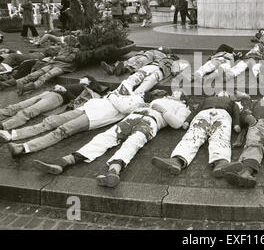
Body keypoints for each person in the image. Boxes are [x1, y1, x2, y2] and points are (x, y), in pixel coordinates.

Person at [32, 90, 192, 188]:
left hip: (151, 122)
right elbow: (126, 107)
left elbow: (177, 124)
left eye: (177, 92)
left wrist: (163, 110)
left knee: (132, 143)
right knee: (105, 137)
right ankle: (65, 161)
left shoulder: (183, 107)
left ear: (183, 99)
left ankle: (113, 171)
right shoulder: (155, 100)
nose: (172, 92)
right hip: (134, 116)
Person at [5, 91, 145, 157]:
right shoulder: (128, 95)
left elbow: (124, 108)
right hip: (85, 108)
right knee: (49, 121)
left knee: (61, 131)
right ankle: (13, 134)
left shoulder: (138, 103)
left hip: (94, 117)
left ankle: (24, 148)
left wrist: (113, 96)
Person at [151, 92, 243, 178]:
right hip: (203, 114)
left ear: (229, 96)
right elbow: (196, 111)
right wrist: (187, 121)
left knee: (221, 135)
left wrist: (236, 124)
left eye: (225, 92)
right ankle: (177, 160)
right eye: (221, 91)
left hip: (222, 115)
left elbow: (236, 113)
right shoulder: (207, 100)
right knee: (193, 135)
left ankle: (221, 162)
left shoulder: (231, 102)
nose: (223, 92)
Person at [0, 76, 106, 135]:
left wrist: (64, 91)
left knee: (30, 110)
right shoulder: (79, 85)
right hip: (49, 93)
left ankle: (5, 125)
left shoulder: (86, 90)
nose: (81, 78)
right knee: (18, 106)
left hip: (57, 98)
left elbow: (76, 102)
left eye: (84, 78)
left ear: (90, 81)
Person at [15, 36, 80, 95]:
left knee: (45, 76)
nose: (64, 43)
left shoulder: (75, 50)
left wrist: (56, 57)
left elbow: (69, 59)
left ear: (70, 43)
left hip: (62, 67)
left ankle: (25, 89)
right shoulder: (63, 49)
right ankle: (22, 82)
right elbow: (57, 55)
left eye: (65, 42)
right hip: (53, 63)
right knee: (39, 72)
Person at [101, 48, 170, 76]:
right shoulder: (152, 50)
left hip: (147, 57)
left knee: (139, 61)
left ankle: (123, 69)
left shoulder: (161, 54)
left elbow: (159, 60)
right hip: (141, 55)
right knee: (129, 61)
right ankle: (113, 68)